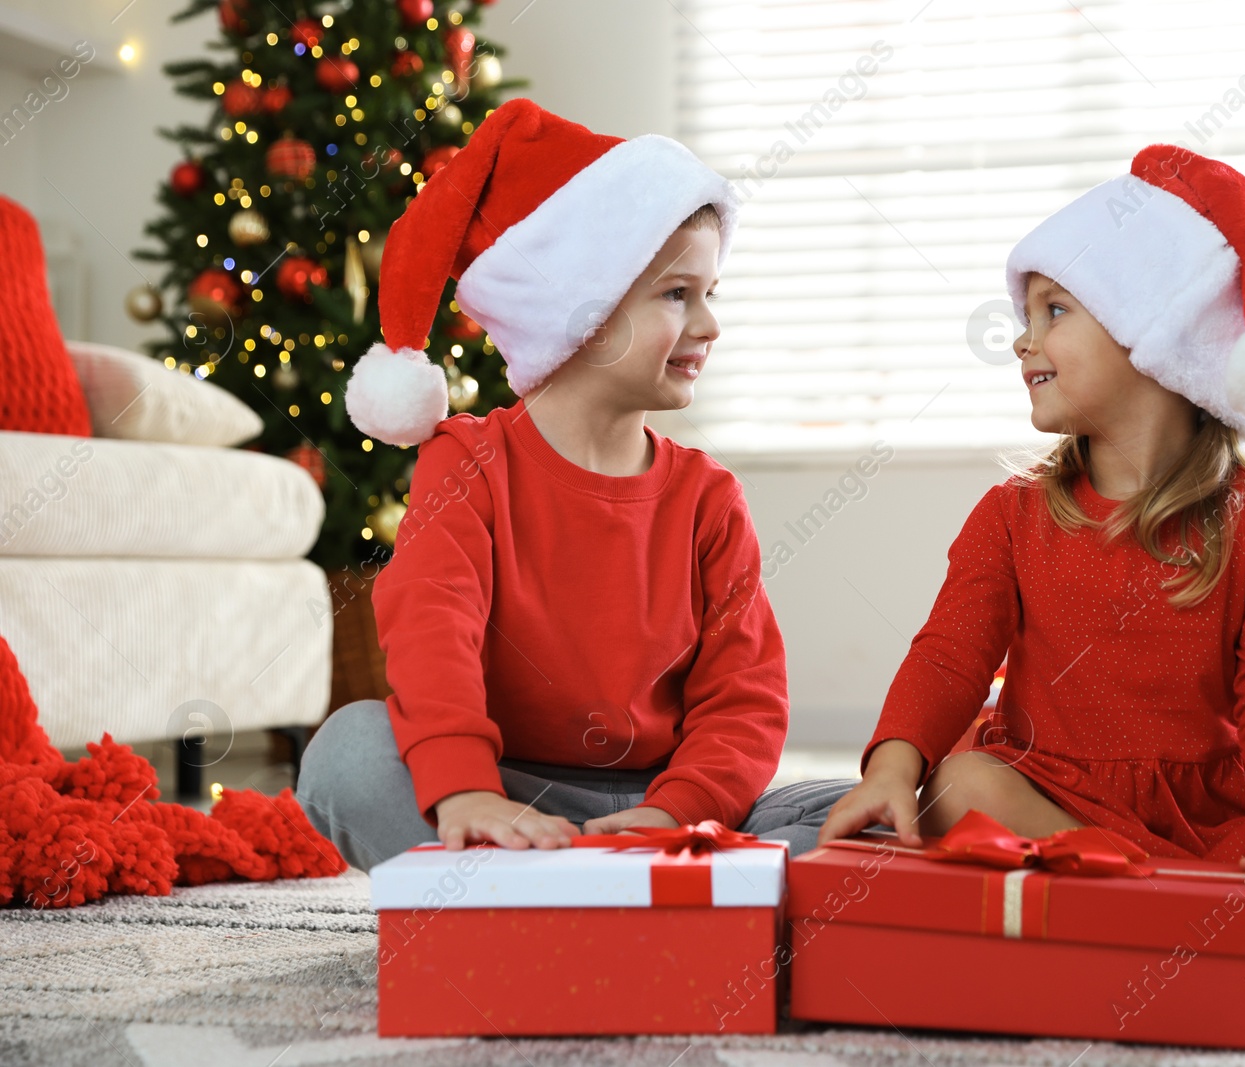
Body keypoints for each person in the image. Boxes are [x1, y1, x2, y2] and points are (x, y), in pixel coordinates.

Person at [817, 144, 1245, 996]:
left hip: (1215, 818)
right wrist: (889, 770)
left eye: (1055, 310)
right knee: (961, 787)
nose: (1023, 338)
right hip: (1056, 806)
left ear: (1156, 339)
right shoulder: (1012, 515)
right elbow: (949, 655)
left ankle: (1185, 920)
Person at [296, 99, 854, 872]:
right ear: (583, 312)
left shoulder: (707, 497)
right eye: (676, 294)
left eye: (709, 293)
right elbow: (432, 632)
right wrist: (464, 792)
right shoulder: (467, 462)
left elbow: (743, 698)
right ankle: (598, 896)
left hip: (670, 803)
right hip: (511, 795)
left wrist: (672, 812)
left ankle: (564, 898)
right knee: (346, 754)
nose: (709, 325)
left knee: (867, 809)